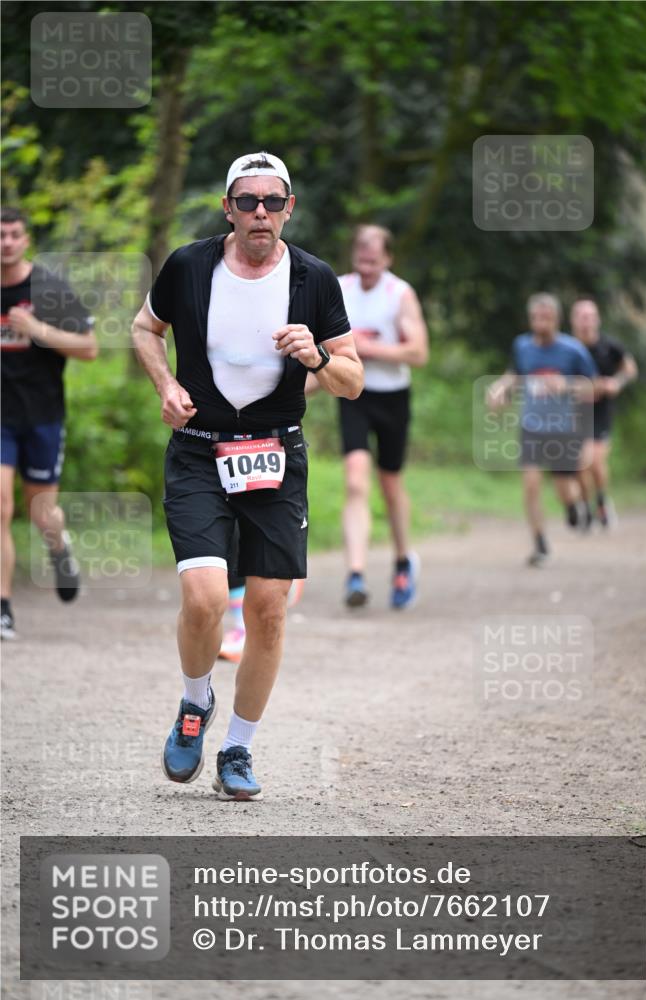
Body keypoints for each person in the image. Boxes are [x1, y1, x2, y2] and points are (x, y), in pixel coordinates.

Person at [131, 151, 363, 800]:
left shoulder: (314, 280)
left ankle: (237, 748)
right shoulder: (188, 265)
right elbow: (145, 329)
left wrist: (315, 354)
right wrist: (166, 385)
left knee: (266, 611)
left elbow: (351, 380)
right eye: (246, 201)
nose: (259, 213)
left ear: (289, 208)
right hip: (200, 449)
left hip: (274, 454)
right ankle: (194, 703)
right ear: (227, 208)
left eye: (272, 201)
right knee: (204, 599)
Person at [1, 207, 97, 640]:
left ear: (26, 240)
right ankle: (3, 607)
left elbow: (89, 348)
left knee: (42, 512)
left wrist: (37, 329)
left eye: (14, 235)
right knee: (0, 506)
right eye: (0, 235)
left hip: (41, 416)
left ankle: (59, 548)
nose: (6, 242)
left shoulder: (48, 288)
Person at [336, 225, 429, 609]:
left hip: (393, 398)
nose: (367, 266)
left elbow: (419, 353)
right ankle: (356, 574)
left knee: (390, 485)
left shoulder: (399, 294)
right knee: (356, 481)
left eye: (374, 260)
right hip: (353, 394)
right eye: (361, 259)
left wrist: (369, 348)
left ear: (387, 259)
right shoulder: (339, 289)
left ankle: (403, 561)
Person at [486, 293, 597, 567]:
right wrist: (499, 389)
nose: (540, 322)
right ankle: (540, 544)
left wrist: (567, 385)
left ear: (556, 318)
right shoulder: (522, 346)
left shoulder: (573, 350)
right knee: (531, 485)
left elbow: (594, 388)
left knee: (563, 488)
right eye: (535, 317)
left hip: (562, 427)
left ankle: (572, 505)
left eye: (545, 317)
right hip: (531, 426)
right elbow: (514, 374)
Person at [570, 297, 637, 527]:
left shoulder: (610, 346)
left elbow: (629, 369)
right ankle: (585, 505)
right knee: (579, 464)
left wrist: (617, 383)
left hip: (601, 412)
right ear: (573, 321)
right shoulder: (567, 348)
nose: (586, 322)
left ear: (597, 319)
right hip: (573, 413)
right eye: (581, 317)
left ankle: (601, 500)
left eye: (590, 317)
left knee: (595, 461)